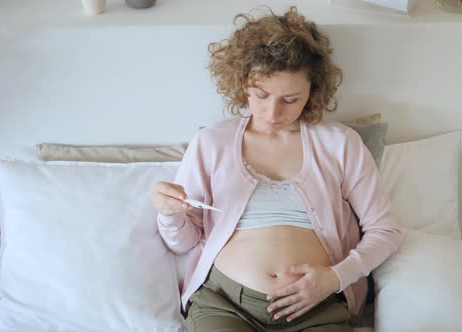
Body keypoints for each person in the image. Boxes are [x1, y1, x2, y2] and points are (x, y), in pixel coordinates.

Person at [153, 6, 402, 331]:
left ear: (313, 91)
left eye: (290, 99)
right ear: (243, 83)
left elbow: (386, 231)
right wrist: (169, 213)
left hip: (317, 307)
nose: (272, 112)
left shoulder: (341, 143)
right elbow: (184, 242)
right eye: (261, 94)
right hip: (226, 303)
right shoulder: (212, 142)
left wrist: (334, 278)